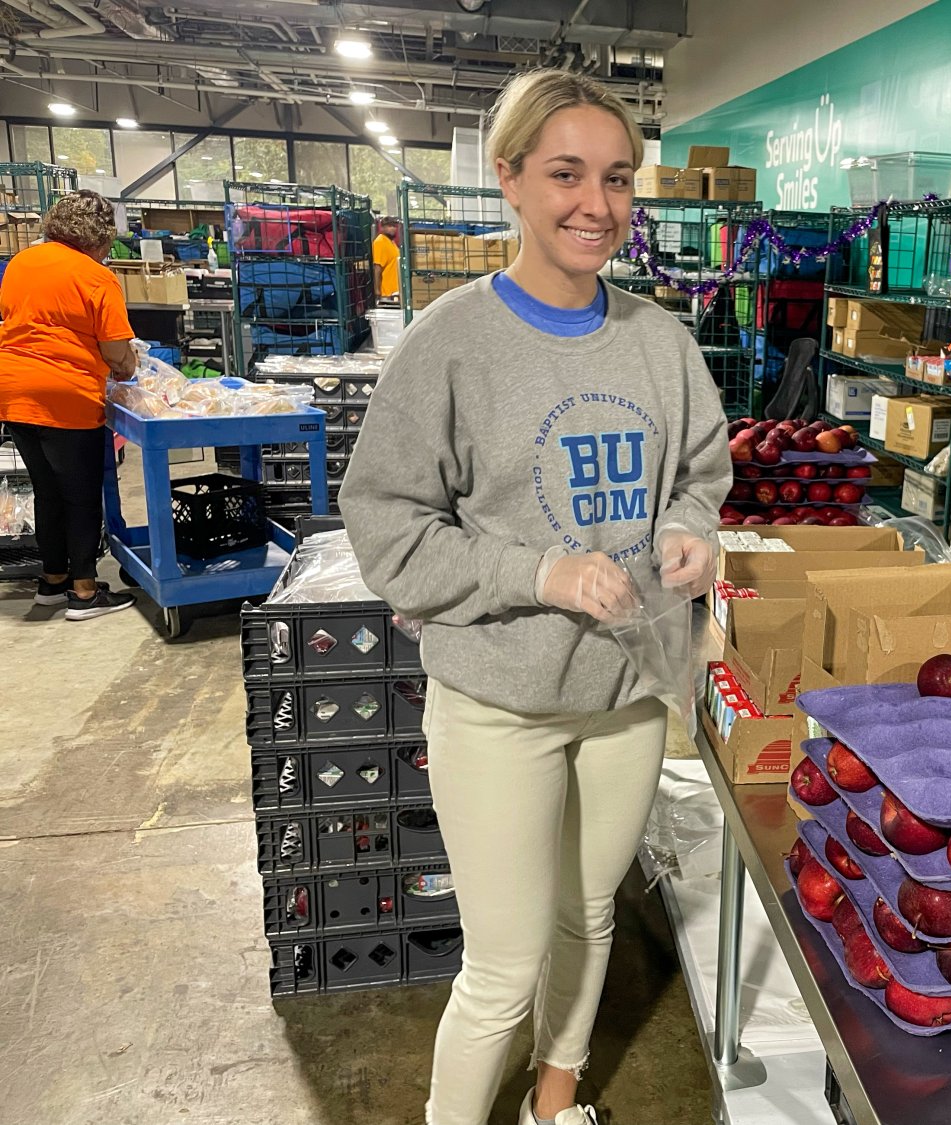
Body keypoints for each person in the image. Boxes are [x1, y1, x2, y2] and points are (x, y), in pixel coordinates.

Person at [339, 70, 730, 1125]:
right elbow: (385, 524)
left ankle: (556, 1104)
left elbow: (700, 477)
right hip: (499, 705)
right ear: (508, 178)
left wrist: (691, 535)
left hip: (624, 694)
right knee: (504, 967)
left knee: (589, 917)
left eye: (615, 179)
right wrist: (535, 573)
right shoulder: (451, 344)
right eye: (565, 174)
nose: (595, 205)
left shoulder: (661, 343)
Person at [0, 189, 138, 621]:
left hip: (13, 391)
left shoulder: (21, 262)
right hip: (66, 395)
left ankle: (52, 581)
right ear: (100, 237)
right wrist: (128, 368)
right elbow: (117, 350)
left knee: (46, 490)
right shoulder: (95, 276)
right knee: (80, 495)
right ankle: (84, 591)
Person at [373, 216, 401, 300]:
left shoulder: (391, 242)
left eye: (394, 226)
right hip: (387, 293)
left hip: (395, 291)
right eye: (389, 226)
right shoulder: (380, 242)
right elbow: (377, 267)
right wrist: (377, 290)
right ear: (382, 227)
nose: (392, 228)